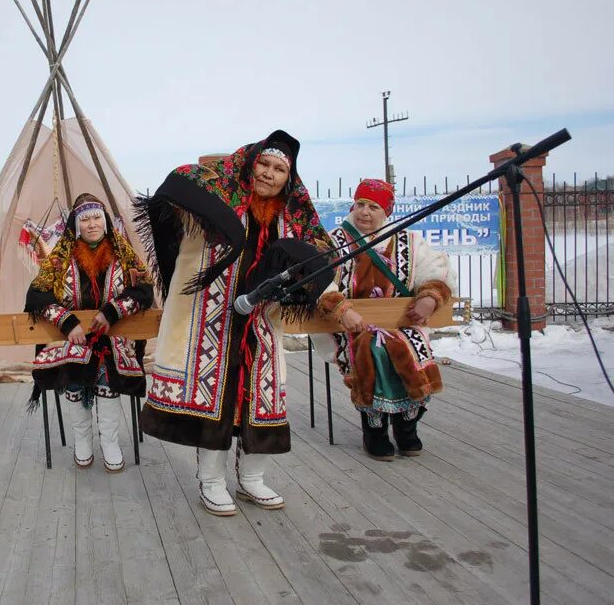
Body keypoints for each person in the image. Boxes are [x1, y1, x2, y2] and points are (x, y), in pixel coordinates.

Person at [136, 130, 352, 516]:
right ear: (251, 164)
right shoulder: (220, 197)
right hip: (209, 321)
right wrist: (231, 228)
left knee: (260, 399)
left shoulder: (294, 217)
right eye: (264, 164)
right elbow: (175, 184)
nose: (269, 174)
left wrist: (337, 305)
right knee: (216, 399)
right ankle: (212, 481)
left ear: (290, 177)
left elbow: (320, 265)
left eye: (279, 169)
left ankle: (251, 477)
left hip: (261, 323)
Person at [313, 179, 455, 461]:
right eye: (360, 205)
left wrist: (429, 297)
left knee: (412, 348)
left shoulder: (409, 241)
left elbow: (435, 271)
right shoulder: (333, 241)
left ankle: (406, 425)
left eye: (373, 207)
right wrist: (342, 310)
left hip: (402, 322)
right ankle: (374, 429)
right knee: (371, 349)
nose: (365, 212)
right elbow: (318, 280)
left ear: (386, 211)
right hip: (350, 326)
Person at [25, 193, 154, 472]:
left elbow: (144, 289)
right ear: (76, 225)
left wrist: (112, 312)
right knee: (74, 367)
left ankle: (109, 442)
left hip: (112, 335)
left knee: (108, 370)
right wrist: (66, 321)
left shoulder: (122, 253)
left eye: (97, 217)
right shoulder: (60, 258)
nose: (92, 224)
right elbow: (36, 294)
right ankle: (81, 441)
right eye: (85, 219)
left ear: (105, 222)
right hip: (72, 336)